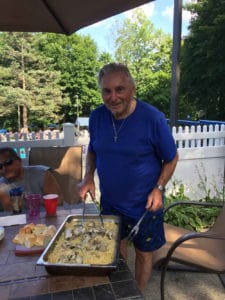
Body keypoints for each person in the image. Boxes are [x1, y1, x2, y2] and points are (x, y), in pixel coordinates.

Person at [78, 62, 178, 292]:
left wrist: (158, 188)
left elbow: (172, 158)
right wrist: (88, 178)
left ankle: (138, 294)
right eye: (107, 91)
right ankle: (122, 292)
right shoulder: (96, 117)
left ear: (132, 89)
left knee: (143, 253)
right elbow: (93, 149)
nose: (113, 97)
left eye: (120, 89)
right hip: (111, 202)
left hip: (144, 205)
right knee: (116, 247)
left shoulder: (153, 118)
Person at [0, 147, 62, 211]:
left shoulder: (41, 173)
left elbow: (58, 201)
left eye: (8, 162)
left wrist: (33, 199)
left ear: (19, 160)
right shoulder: (1, 186)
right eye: (0, 166)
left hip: (52, 215)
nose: (4, 169)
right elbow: (10, 214)